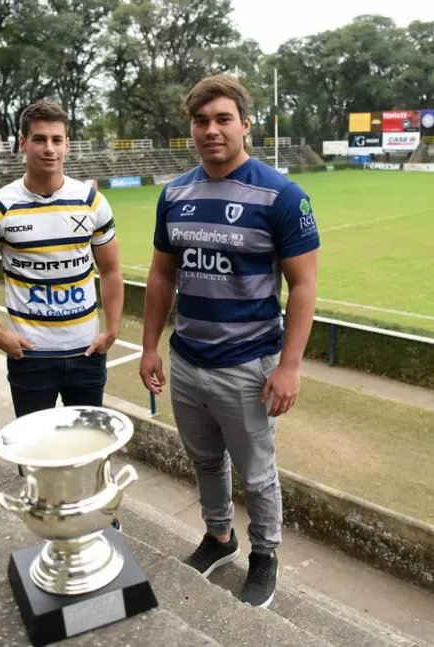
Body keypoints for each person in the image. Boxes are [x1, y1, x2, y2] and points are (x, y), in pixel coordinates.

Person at [138, 74, 320, 608]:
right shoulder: (175, 194)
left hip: (248, 365)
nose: (211, 131)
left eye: (223, 119)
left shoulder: (282, 196)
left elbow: (304, 284)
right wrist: (150, 346)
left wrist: (290, 367)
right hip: (188, 360)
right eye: (201, 121)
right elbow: (161, 275)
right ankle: (220, 538)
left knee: (258, 474)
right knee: (204, 462)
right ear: (191, 128)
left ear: (245, 123)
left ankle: (264, 557)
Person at [0, 98, 124, 450]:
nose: (49, 148)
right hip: (31, 357)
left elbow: (111, 270)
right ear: (23, 143)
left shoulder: (91, 202)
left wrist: (112, 330)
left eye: (56, 139)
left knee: (89, 450)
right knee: (34, 454)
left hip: (86, 353)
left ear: (67, 144)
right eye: (39, 139)